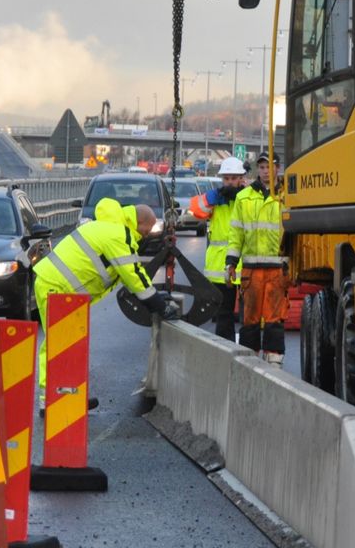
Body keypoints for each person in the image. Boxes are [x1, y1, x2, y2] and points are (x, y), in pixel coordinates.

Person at [32, 198, 179, 395]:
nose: (148, 234)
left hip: (59, 286)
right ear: (139, 222)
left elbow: (129, 275)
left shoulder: (110, 228)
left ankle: (68, 394)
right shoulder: (118, 234)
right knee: (59, 342)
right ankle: (51, 397)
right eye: (148, 228)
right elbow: (133, 274)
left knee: (69, 342)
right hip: (57, 286)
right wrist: (159, 305)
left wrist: (152, 295)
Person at [225, 152, 288, 367]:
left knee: (274, 317)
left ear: (277, 168)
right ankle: (250, 360)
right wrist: (231, 263)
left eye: (269, 167)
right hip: (251, 269)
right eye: (261, 167)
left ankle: (273, 359)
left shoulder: (287, 196)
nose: (265, 171)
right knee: (250, 317)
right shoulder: (244, 198)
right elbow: (236, 234)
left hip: (277, 267)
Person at [188, 156, 247, 341]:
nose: (229, 182)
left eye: (233, 178)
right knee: (223, 313)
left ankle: (246, 350)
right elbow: (196, 209)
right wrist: (212, 197)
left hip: (244, 264)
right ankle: (226, 349)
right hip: (221, 267)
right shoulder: (216, 199)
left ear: (241, 178)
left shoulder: (247, 199)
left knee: (249, 317)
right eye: (226, 178)